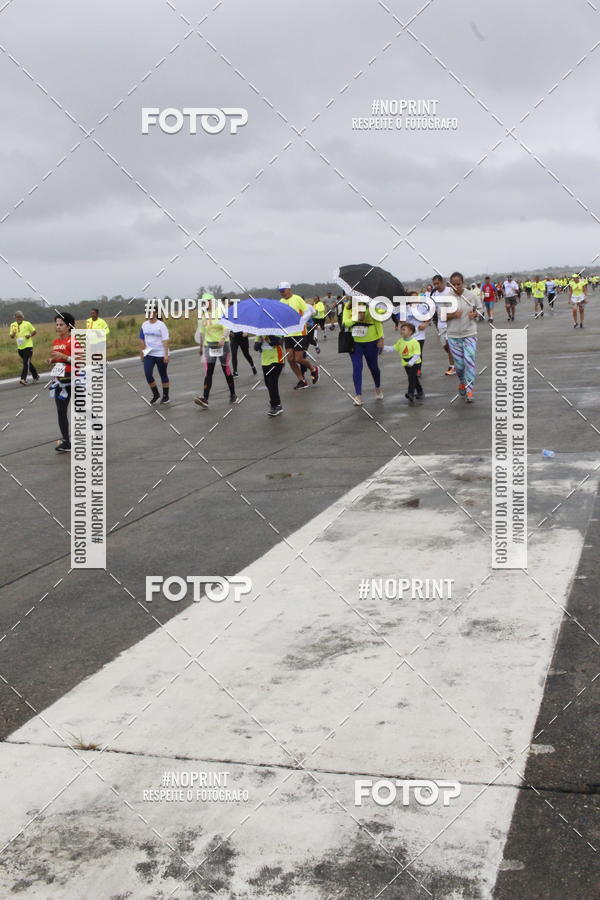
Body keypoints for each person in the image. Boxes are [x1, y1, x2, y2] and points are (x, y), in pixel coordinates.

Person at [446, 272, 483, 403]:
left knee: (469, 361)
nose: (456, 286)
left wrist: (475, 314)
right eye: (453, 284)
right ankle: (462, 381)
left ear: (463, 283)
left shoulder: (471, 295)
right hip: (453, 336)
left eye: (459, 284)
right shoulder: (447, 298)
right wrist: (452, 315)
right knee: (460, 365)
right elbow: (440, 316)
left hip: (470, 334)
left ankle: (469, 390)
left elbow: (480, 309)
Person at [342, 297, 384, 406]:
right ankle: (358, 395)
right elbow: (345, 323)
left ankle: (378, 388)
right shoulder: (348, 306)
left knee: (374, 367)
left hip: (371, 341)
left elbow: (378, 320)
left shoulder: (370, 304)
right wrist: (356, 317)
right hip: (355, 342)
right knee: (357, 367)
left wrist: (381, 338)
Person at [194, 301, 236, 408]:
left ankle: (233, 394)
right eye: (203, 303)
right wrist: (201, 347)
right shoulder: (204, 316)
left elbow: (226, 328)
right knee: (209, 372)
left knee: (225, 369)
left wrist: (222, 338)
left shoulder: (220, 312)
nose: (205, 305)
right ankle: (205, 399)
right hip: (210, 345)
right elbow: (203, 333)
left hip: (222, 345)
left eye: (207, 302)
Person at [277, 282, 319, 389]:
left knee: (298, 359)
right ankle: (302, 380)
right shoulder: (281, 302)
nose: (282, 293)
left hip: (300, 333)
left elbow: (308, 311)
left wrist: (302, 320)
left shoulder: (297, 299)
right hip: (288, 334)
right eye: (280, 291)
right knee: (290, 359)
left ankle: (313, 369)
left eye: (283, 290)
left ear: (289, 289)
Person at [48, 312, 75, 452]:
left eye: (61, 325)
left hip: (75, 379)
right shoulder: (56, 342)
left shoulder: (75, 341)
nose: (58, 327)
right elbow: (57, 359)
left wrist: (64, 357)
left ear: (69, 326)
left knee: (82, 410)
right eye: (56, 324)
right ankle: (66, 441)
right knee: (61, 411)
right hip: (60, 381)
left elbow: (82, 361)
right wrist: (52, 360)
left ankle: (96, 428)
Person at [384, 321, 422, 403]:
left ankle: (410, 393)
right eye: (401, 329)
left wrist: (411, 362)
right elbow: (393, 348)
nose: (401, 331)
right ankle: (420, 392)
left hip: (415, 363)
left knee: (411, 378)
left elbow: (417, 354)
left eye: (404, 329)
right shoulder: (400, 341)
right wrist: (383, 347)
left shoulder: (414, 342)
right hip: (406, 363)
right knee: (414, 378)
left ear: (410, 332)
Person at [139, 309, 170, 404]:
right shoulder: (144, 325)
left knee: (163, 374)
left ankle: (166, 396)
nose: (149, 314)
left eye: (151, 312)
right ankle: (156, 394)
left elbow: (165, 340)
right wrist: (142, 352)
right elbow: (142, 339)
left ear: (156, 313)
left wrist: (166, 355)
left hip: (160, 353)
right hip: (149, 353)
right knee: (148, 373)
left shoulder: (161, 325)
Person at [430, 274, 456, 376]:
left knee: (450, 346)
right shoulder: (434, 294)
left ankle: (452, 366)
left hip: (451, 322)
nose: (436, 285)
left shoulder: (450, 291)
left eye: (437, 283)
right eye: (434, 284)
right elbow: (434, 309)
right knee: (445, 347)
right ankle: (457, 360)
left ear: (442, 282)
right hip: (440, 324)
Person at [254, 334, 285, 416]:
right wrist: (260, 339)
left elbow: (276, 343)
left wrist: (267, 338)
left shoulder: (275, 331)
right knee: (268, 384)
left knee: (272, 383)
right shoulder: (259, 333)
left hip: (277, 359)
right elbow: (256, 348)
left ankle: (275, 405)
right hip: (265, 361)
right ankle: (277, 403)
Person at [404, 291, 432, 377]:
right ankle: (412, 368)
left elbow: (428, 318)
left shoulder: (422, 307)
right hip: (409, 335)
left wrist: (425, 324)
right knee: (410, 353)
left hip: (420, 335)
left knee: (418, 353)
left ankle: (418, 370)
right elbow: (402, 321)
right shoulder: (405, 308)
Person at [9, 310, 39, 385]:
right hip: (20, 347)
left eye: (20, 317)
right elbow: (11, 336)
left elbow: (34, 331)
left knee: (25, 363)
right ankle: (36, 376)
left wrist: (30, 335)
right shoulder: (13, 325)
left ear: (22, 317)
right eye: (17, 317)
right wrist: (13, 334)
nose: (19, 318)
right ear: (15, 318)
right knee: (28, 362)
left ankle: (23, 379)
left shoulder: (27, 323)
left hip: (28, 346)